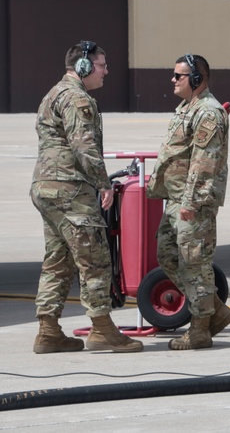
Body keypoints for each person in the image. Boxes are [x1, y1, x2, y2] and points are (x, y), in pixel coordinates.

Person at [31, 40, 142, 353]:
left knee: (58, 259)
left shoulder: (53, 93)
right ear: (83, 66)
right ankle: (102, 329)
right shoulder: (78, 99)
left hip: (46, 187)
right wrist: (103, 183)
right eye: (102, 65)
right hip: (70, 189)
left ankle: (49, 330)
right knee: (94, 259)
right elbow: (84, 147)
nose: (106, 72)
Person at [148, 53, 230, 350]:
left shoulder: (207, 112)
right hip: (176, 198)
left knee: (194, 262)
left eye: (178, 76)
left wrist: (192, 202)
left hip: (192, 202)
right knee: (169, 255)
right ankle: (215, 311)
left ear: (196, 79)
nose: (172, 80)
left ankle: (200, 329)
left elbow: (203, 163)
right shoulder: (187, 108)